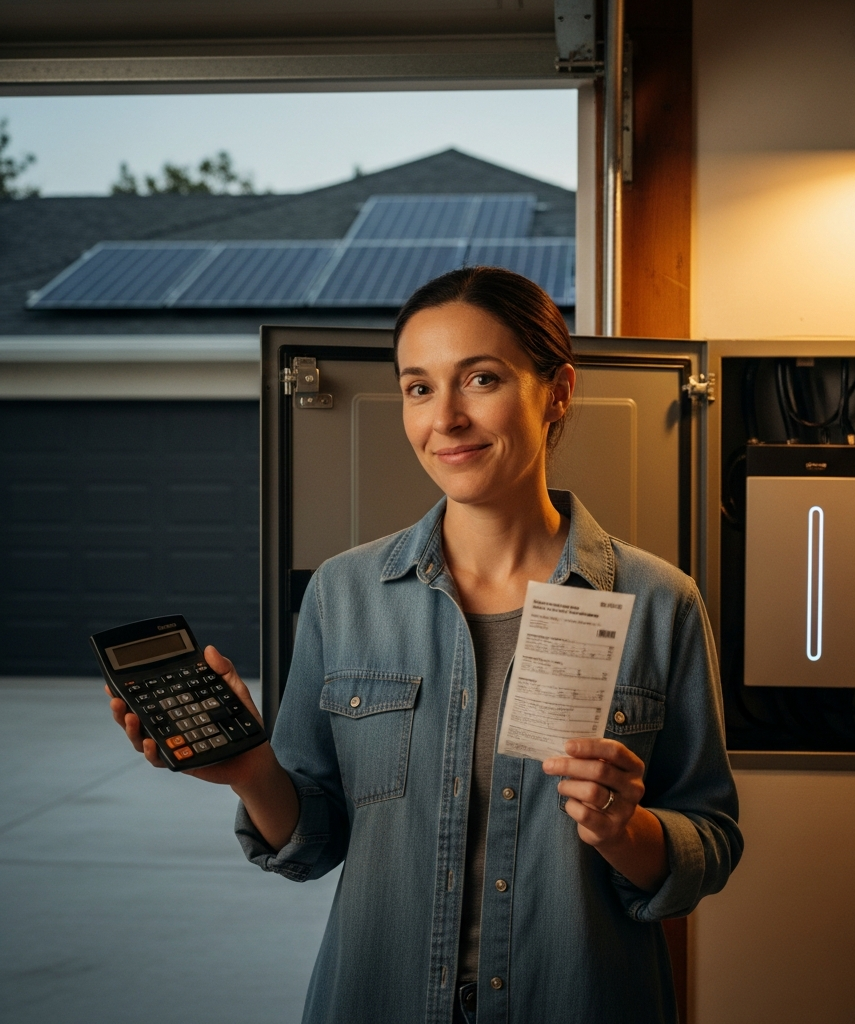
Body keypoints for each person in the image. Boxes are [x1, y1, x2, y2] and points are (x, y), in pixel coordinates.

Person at [108, 266, 742, 1024]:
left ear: (558, 392)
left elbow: (709, 841)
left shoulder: (658, 602)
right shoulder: (342, 595)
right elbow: (312, 841)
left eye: (480, 379)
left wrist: (625, 828)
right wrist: (252, 771)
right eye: (418, 387)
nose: (445, 418)